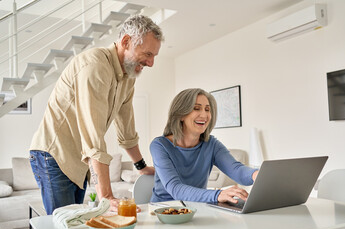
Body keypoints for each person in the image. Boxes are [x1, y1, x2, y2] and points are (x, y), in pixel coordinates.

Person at [29, 15, 164, 214]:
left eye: (154, 56)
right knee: (63, 226)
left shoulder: (128, 78)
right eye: (148, 54)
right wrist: (106, 195)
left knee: (75, 224)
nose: (151, 63)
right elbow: (93, 136)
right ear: (126, 42)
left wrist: (141, 167)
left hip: (79, 160)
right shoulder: (95, 66)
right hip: (55, 155)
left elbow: (126, 131)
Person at [150, 88, 259, 204]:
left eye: (207, 109)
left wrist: (255, 174)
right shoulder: (160, 146)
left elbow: (237, 170)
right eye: (196, 108)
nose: (204, 115)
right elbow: (176, 189)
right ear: (181, 115)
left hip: (197, 209)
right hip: (163, 211)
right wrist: (218, 194)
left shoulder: (211, 144)